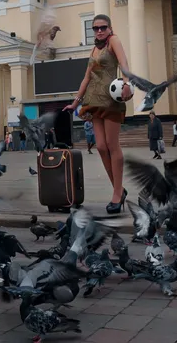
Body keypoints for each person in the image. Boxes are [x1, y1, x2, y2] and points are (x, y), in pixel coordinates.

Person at [64, 14, 133, 214]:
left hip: (111, 101)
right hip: (93, 102)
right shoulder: (94, 48)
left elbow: (124, 64)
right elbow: (87, 77)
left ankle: (117, 194)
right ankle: (119, 190)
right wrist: (75, 102)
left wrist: (127, 83)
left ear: (110, 28)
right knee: (101, 147)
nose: (99, 31)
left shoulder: (114, 41)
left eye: (103, 27)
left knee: (112, 146)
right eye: (95, 28)